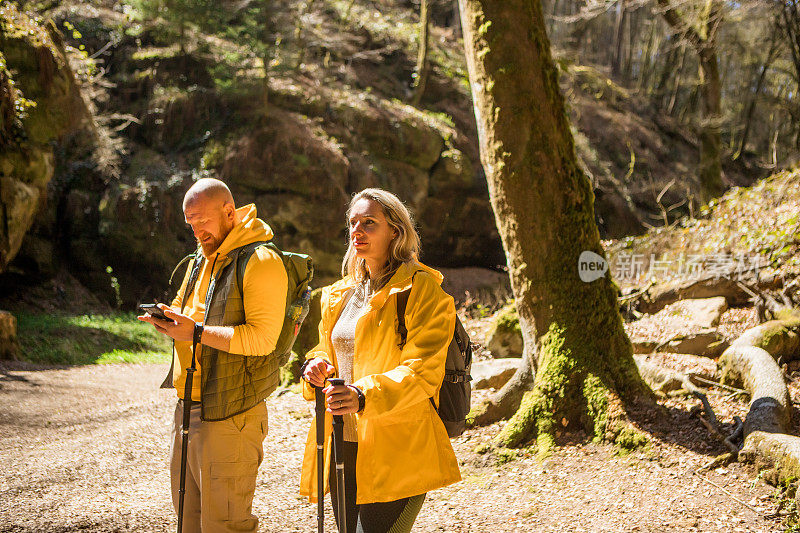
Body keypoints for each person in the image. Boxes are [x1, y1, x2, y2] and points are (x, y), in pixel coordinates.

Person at [300, 188, 461, 533]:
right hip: (342, 439)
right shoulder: (341, 294)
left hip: (399, 447)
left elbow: (423, 371)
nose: (357, 231)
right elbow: (329, 350)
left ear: (396, 231)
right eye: (353, 223)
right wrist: (315, 365)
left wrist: (362, 395)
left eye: (369, 223)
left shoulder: (424, 291)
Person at [139, 178, 288, 533]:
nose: (196, 230)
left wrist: (197, 333)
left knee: (225, 525)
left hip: (232, 413)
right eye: (190, 222)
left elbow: (263, 339)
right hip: (186, 407)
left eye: (202, 220)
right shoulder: (200, 260)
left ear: (229, 212)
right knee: (188, 520)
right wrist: (167, 318)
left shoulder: (262, 261)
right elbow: (182, 309)